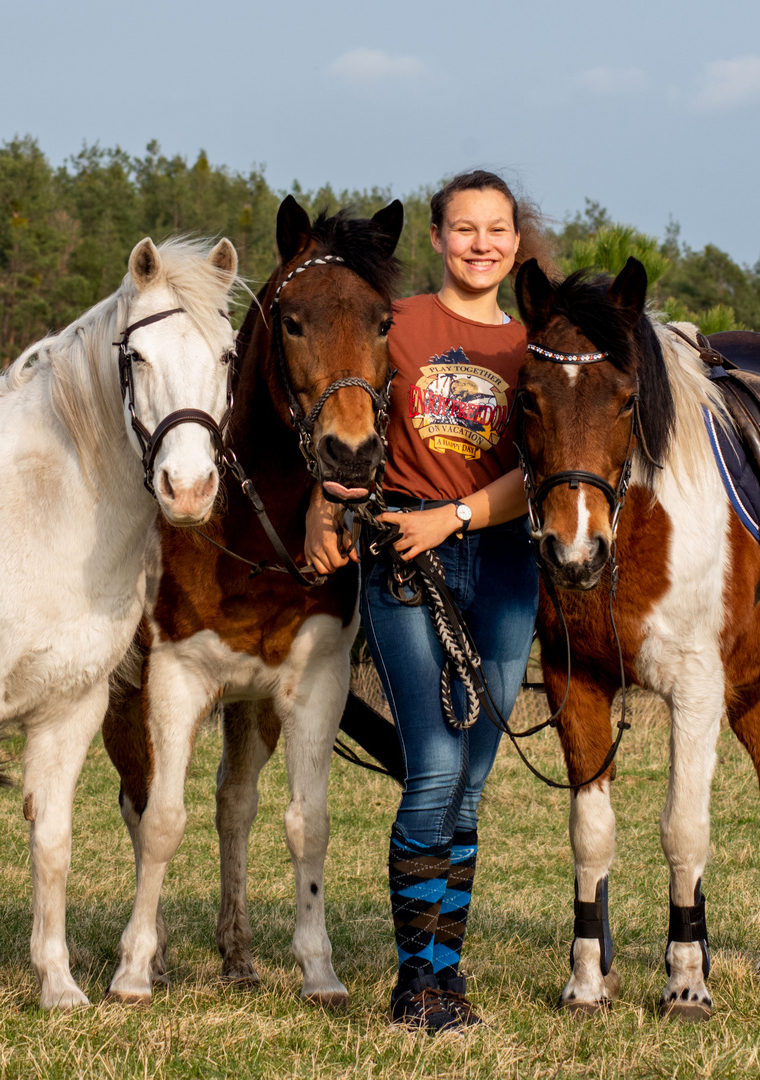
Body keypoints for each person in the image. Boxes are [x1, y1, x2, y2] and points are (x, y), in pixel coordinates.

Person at [305, 170, 540, 1032]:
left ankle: (449, 978)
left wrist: (463, 515)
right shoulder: (393, 324)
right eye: (465, 228)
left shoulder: (529, 344)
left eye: (498, 230)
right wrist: (324, 503)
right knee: (435, 768)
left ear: (517, 242)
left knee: (472, 782)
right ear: (437, 238)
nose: (482, 243)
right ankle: (414, 987)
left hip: (509, 568)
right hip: (407, 560)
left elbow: (542, 472)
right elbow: (340, 408)